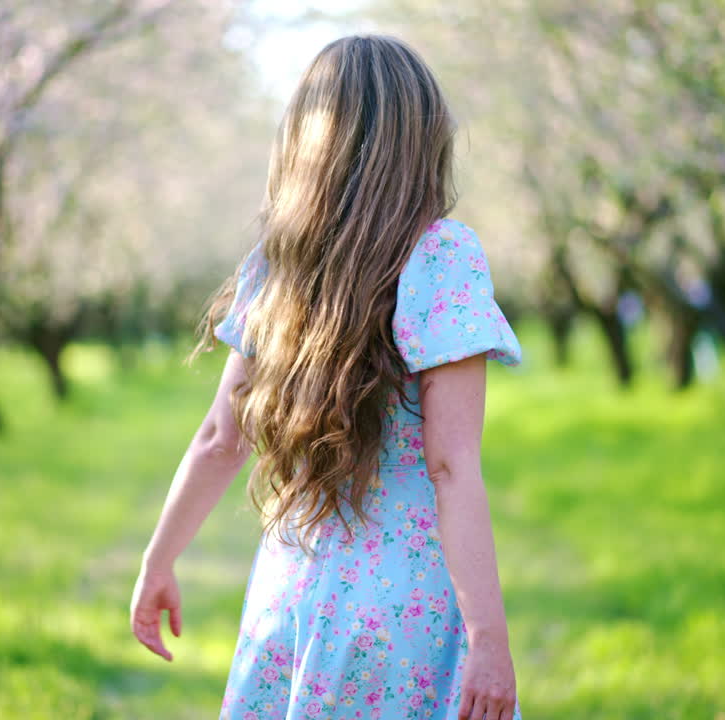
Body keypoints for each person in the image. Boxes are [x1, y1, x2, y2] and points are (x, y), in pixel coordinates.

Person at [130, 34, 524, 720]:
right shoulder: (441, 257)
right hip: (407, 615)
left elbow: (221, 437)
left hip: (291, 599)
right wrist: (487, 639)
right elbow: (452, 465)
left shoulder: (279, 266)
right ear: (423, 140)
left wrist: (157, 561)